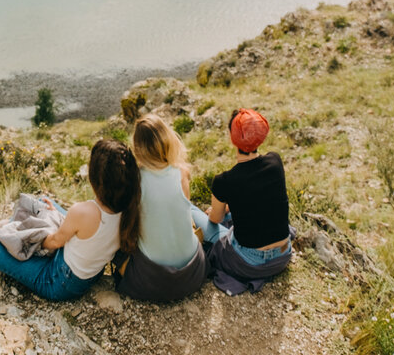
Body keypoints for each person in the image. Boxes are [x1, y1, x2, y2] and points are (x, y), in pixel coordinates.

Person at [0, 139, 141, 301]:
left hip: (60, 282)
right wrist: (56, 215)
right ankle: (10, 226)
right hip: (91, 271)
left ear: (95, 178)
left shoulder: (83, 211)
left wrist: (26, 238)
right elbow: (85, 231)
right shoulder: (131, 207)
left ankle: (6, 230)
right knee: (44, 203)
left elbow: (54, 242)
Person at [195, 108, 293, 295]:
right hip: (282, 256)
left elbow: (215, 219)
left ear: (233, 139)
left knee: (195, 213)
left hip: (249, 263)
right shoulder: (275, 162)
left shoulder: (224, 181)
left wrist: (217, 211)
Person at [113, 114, 208, 301]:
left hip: (155, 280)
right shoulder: (182, 173)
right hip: (193, 272)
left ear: (138, 149)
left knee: (119, 247)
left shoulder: (135, 182)